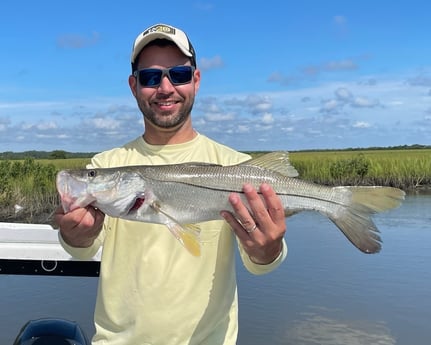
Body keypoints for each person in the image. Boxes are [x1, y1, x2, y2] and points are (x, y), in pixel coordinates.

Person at [55, 23, 287, 345]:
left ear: (196, 79)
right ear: (134, 86)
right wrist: (74, 234)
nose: (165, 88)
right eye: (150, 78)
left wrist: (268, 249)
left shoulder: (238, 167)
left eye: (178, 74)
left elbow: (261, 264)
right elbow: (83, 250)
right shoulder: (105, 165)